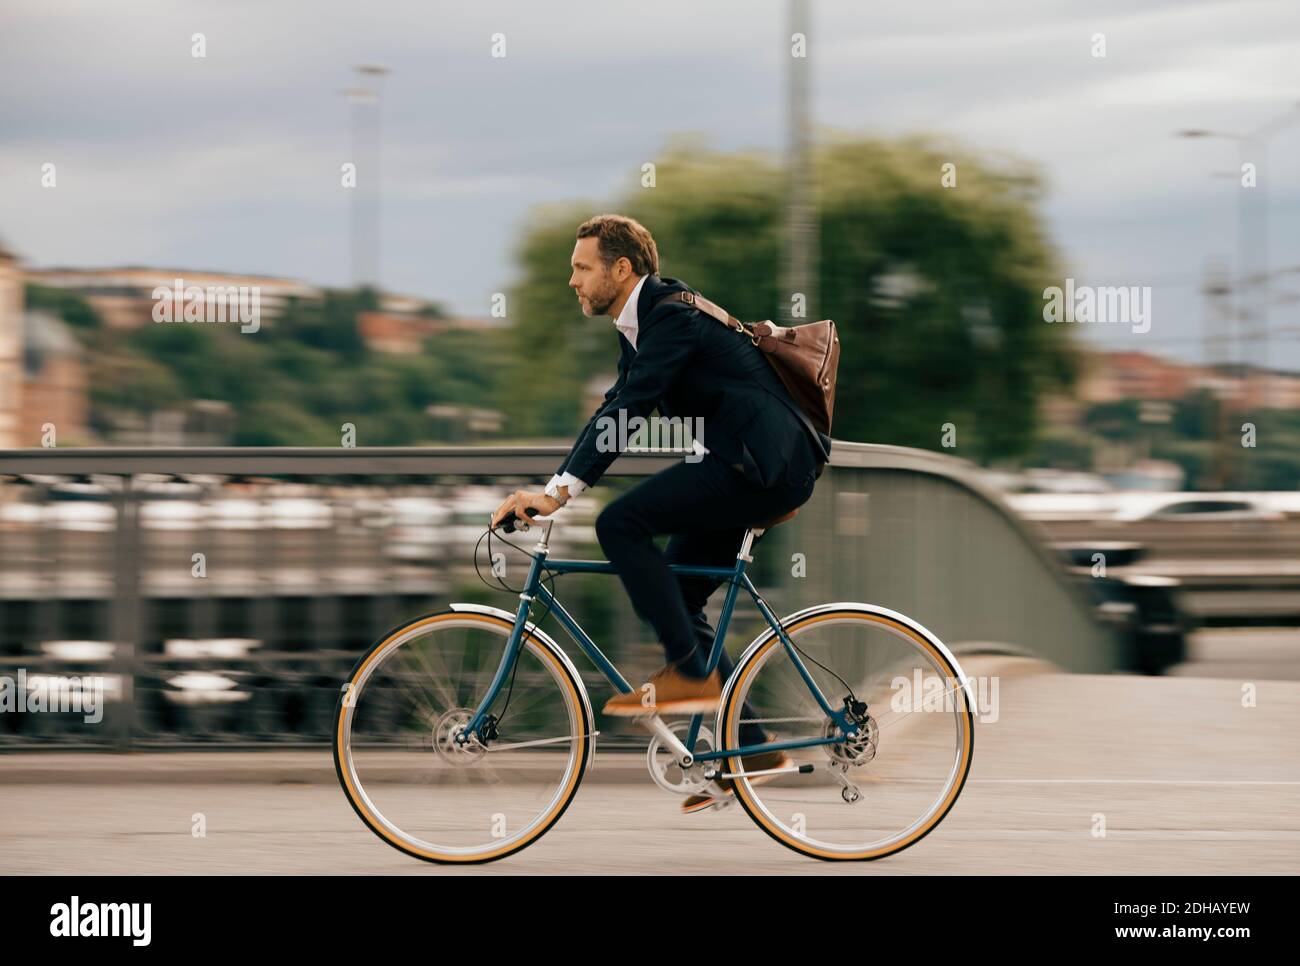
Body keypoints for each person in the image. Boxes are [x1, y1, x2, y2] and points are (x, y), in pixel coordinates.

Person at [490, 214, 828, 812]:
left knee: (619, 524)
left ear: (621, 269)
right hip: (750, 463)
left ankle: (689, 675)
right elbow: (619, 404)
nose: (571, 281)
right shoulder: (642, 323)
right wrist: (553, 487)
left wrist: (559, 495)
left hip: (761, 465)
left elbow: (635, 406)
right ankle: (751, 747)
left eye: (580, 267)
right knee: (679, 589)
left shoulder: (670, 315)